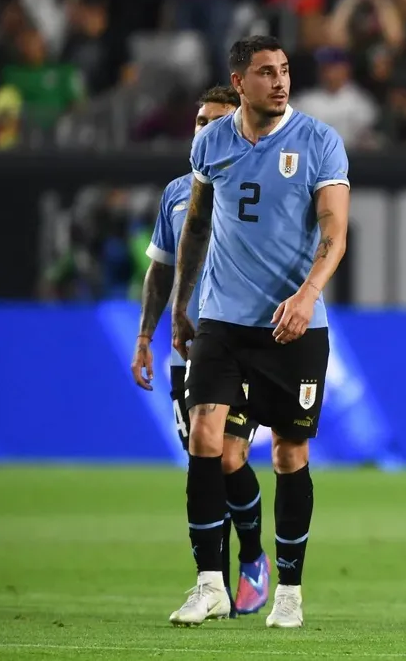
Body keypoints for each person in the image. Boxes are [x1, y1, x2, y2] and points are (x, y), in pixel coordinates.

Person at [168, 35, 350, 628]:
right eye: (267, 73)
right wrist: (180, 305)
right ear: (239, 80)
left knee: (290, 453)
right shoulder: (211, 142)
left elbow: (334, 233)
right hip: (223, 319)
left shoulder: (319, 142)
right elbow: (195, 227)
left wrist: (307, 294)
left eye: (285, 71)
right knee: (205, 436)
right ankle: (209, 582)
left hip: (292, 325)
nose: (280, 81)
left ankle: (290, 592)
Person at [131, 85, 272, 618]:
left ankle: (252, 559)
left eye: (218, 121)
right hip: (187, 344)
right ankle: (209, 581)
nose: (206, 129)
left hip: (242, 338)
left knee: (230, 454)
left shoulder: (257, 183)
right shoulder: (175, 194)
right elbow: (162, 266)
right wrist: (146, 334)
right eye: (199, 121)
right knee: (204, 453)